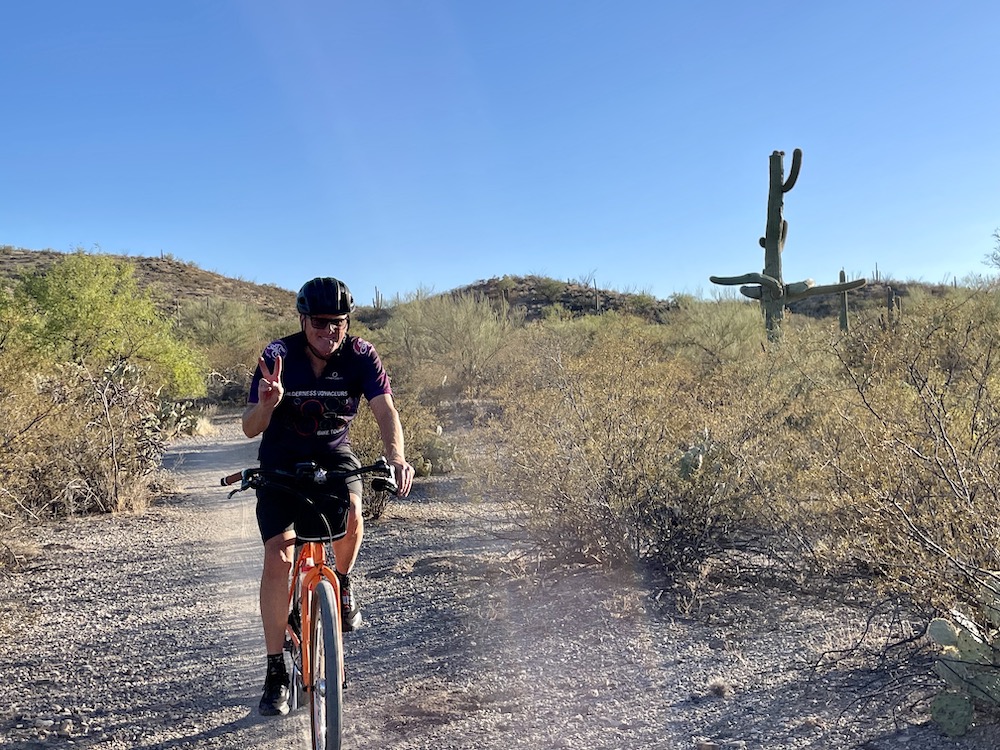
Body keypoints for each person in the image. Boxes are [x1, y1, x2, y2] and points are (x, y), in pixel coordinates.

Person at [242, 276, 415, 716]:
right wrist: (268, 402)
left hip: (335, 454)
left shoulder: (360, 354)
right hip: (280, 459)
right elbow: (249, 426)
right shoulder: (277, 356)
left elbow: (384, 408)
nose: (328, 331)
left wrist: (395, 454)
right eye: (319, 322)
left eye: (337, 322)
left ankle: (343, 580)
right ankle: (275, 668)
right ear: (303, 320)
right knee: (279, 555)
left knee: (355, 515)